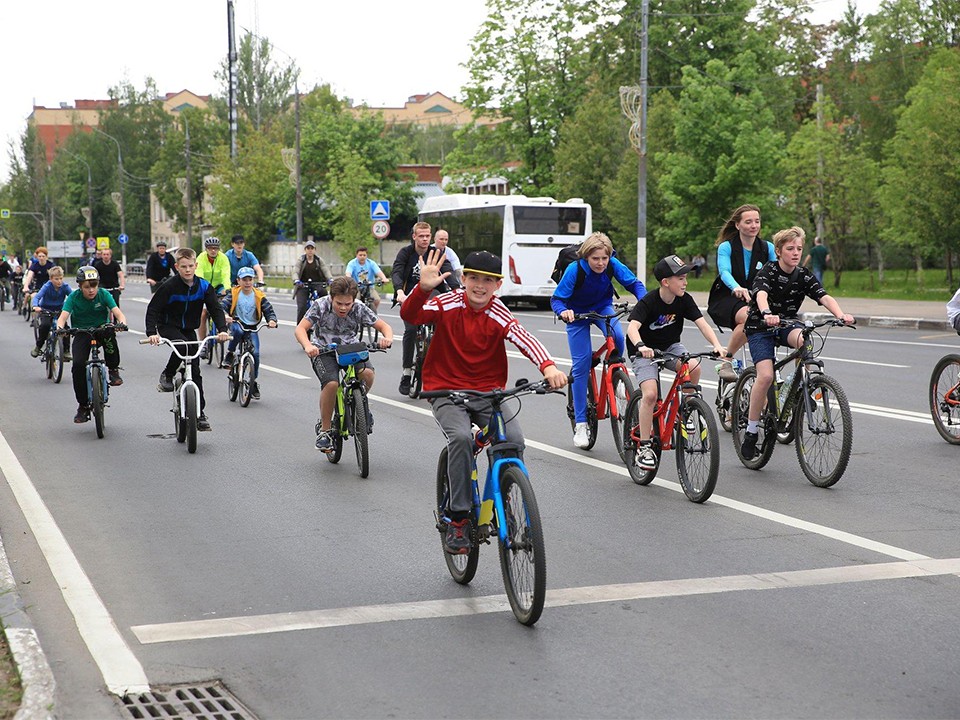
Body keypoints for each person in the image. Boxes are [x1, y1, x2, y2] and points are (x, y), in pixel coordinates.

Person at [402, 249, 566, 554]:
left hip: (488, 392)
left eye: (488, 281)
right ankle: (460, 519)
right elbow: (411, 316)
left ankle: (505, 497)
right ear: (463, 279)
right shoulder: (446, 303)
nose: (480, 285)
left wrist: (549, 366)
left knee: (513, 439)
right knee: (462, 438)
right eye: (474, 278)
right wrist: (422, 289)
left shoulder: (499, 311)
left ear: (498, 284)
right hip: (445, 390)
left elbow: (523, 337)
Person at [739, 226, 855, 459]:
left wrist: (840, 314)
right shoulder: (768, 271)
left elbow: (823, 296)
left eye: (799, 249)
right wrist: (766, 312)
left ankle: (805, 384)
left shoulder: (803, 275)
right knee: (766, 376)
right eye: (790, 248)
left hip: (786, 324)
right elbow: (760, 294)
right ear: (779, 251)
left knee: (805, 338)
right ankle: (752, 430)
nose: (795, 253)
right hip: (761, 327)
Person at [625, 255, 727, 471]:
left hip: (670, 347)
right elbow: (632, 328)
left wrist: (717, 344)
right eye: (680, 278)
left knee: (694, 366)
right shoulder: (649, 301)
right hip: (644, 351)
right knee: (650, 394)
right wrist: (642, 346)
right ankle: (644, 447)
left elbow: (703, 324)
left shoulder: (684, 300)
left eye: (685, 278)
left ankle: (686, 409)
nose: (685, 282)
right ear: (666, 282)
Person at [551, 231, 646, 449]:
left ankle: (616, 374)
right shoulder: (575, 270)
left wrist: (643, 302)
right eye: (596, 259)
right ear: (586, 257)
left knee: (619, 336)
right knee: (582, 363)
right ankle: (582, 423)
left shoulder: (612, 263)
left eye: (604, 258)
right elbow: (556, 299)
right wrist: (564, 312)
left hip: (603, 308)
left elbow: (635, 284)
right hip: (576, 314)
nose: (601, 263)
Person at [294, 275, 394, 452]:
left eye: (347, 304)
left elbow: (384, 326)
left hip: (350, 349)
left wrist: (388, 338)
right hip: (324, 350)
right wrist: (308, 345)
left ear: (353, 300)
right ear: (332, 298)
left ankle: (360, 405)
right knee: (332, 384)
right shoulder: (320, 305)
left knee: (368, 374)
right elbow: (301, 329)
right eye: (339, 303)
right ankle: (325, 431)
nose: (343, 308)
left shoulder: (359, 308)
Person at [145, 247, 230, 431]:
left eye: (191, 266)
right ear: (176, 267)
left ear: (196, 265)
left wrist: (222, 330)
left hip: (189, 328)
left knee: (196, 370)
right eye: (183, 267)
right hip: (168, 326)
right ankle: (167, 374)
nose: (188, 270)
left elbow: (215, 309)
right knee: (183, 347)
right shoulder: (169, 286)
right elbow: (153, 309)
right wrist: (152, 332)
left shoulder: (204, 286)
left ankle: (199, 414)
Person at [706, 204, 778, 383]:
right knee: (749, 317)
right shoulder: (727, 247)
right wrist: (736, 287)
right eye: (748, 222)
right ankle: (726, 360)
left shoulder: (767, 247)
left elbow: (776, 272)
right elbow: (724, 272)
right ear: (737, 225)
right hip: (727, 297)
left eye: (757, 221)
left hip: (757, 298)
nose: (754, 225)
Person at [391, 221, 460, 395]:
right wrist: (399, 291)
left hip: (433, 294)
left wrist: (458, 291)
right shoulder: (406, 253)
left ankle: (442, 372)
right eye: (421, 236)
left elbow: (448, 272)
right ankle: (407, 372)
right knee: (411, 330)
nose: (424, 239)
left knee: (443, 328)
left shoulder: (435, 253)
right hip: (409, 296)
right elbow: (397, 272)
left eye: (427, 236)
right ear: (414, 236)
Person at [57, 266, 127, 423]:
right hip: (82, 332)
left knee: (110, 333)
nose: (91, 290)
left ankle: (113, 370)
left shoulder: (103, 294)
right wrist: (60, 328)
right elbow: (63, 317)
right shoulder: (73, 297)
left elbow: (117, 312)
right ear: (80, 286)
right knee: (78, 365)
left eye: (94, 286)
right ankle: (83, 406)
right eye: (87, 287)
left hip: (101, 329)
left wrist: (121, 323)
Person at [222, 266, 278, 400]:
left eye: (250, 279)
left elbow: (268, 310)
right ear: (238, 281)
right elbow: (222, 306)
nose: (247, 282)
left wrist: (272, 320)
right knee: (238, 330)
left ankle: (253, 382)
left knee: (256, 353)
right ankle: (230, 353)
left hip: (252, 327)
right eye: (244, 280)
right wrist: (225, 315)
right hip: (237, 322)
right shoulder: (234, 293)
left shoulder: (258, 295)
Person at [196, 236, 231, 360]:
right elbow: (198, 276)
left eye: (215, 249)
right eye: (210, 249)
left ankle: (222, 329)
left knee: (222, 309)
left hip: (219, 287)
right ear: (206, 249)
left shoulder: (223, 258)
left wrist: (226, 289)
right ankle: (203, 343)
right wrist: (204, 291)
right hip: (205, 287)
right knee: (203, 313)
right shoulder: (200, 258)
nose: (213, 251)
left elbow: (226, 275)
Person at [31, 266, 72, 358]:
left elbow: (73, 297)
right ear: (51, 279)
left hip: (59, 310)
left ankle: (66, 351)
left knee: (65, 328)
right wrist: (35, 306)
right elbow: (37, 297)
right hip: (46, 310)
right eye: (56, 279)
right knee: (45, 326)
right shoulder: (47, 286)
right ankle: (38, 346)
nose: (59, 281)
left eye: (61, 278)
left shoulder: (65, 287)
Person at [293, 240, 333, 324]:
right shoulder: (301, 260)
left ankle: (326, 322)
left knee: (326, 302)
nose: (310, 250)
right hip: (303, 285)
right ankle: (300, 328)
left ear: (315, 250)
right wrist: (296, 280)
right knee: (301, 307)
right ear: (305, 250)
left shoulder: (318, 260)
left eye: (312, 248)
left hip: (317, 284)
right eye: (308, 248)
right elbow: (295, 271)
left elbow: (325, 270)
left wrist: (330, 279)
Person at [345, 246, 389, 312]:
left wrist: (384, 278)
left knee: (377, 299)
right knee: (355, 300)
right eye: (360, 255)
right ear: (356, 255)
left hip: (369, 286)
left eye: (364, 255)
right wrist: (349, 281)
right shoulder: (352, 263)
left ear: (366, 255)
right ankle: (353, 314)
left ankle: (373, 314)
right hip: (356, 286)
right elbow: (348, 273)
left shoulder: (371, 263)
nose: (362, 257)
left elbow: (378, 272)